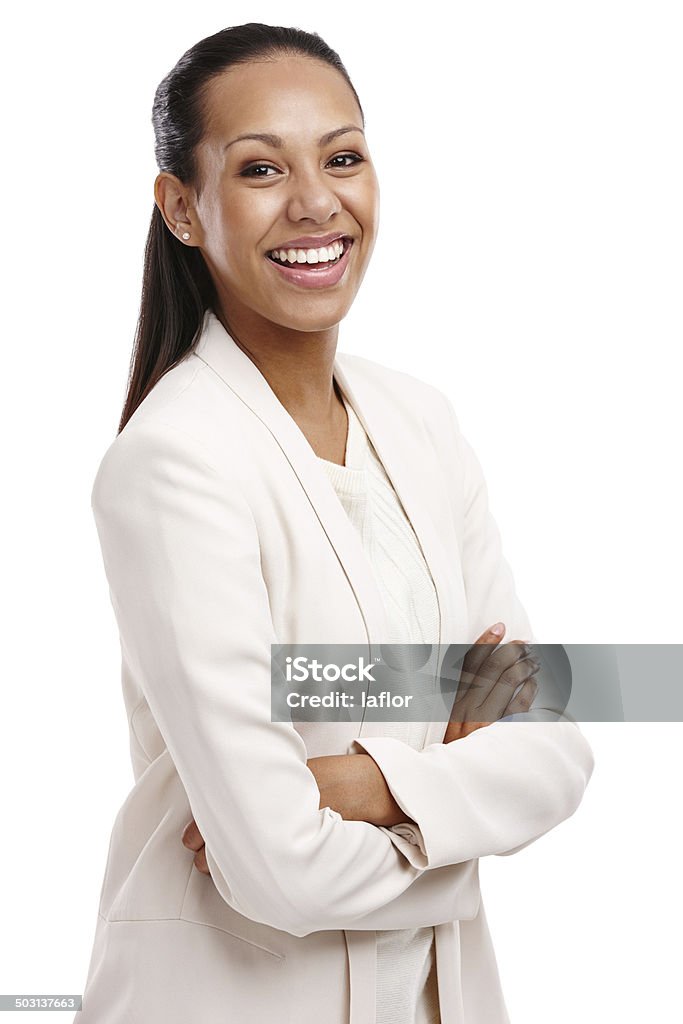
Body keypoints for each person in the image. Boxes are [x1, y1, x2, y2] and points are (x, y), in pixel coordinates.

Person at [75, 22, 594, 1024]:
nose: (316, 202)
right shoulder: (174, 462)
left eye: (342, 156)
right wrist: (460, 809)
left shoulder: (420, 421)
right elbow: (279, 873)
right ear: (183, 208)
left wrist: (361, 785)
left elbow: (556, 742)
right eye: (261, 167)